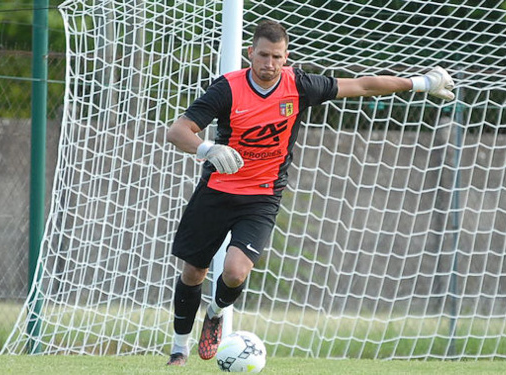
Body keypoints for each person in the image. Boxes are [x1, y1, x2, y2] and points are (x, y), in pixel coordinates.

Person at [165, 20, 455, 366]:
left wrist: (421, 82)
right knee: (193, 273)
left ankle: (214, 313)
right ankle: (179, 349)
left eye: (276, 57)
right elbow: (179, 130)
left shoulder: (299, 85)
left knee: (235, 271)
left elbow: (362, 86)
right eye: (262, 55)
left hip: (262, 196)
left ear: (286, 58)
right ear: (250, 54)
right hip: (216, 191)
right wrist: (207, 149)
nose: (269, 64)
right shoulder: (227, 88)